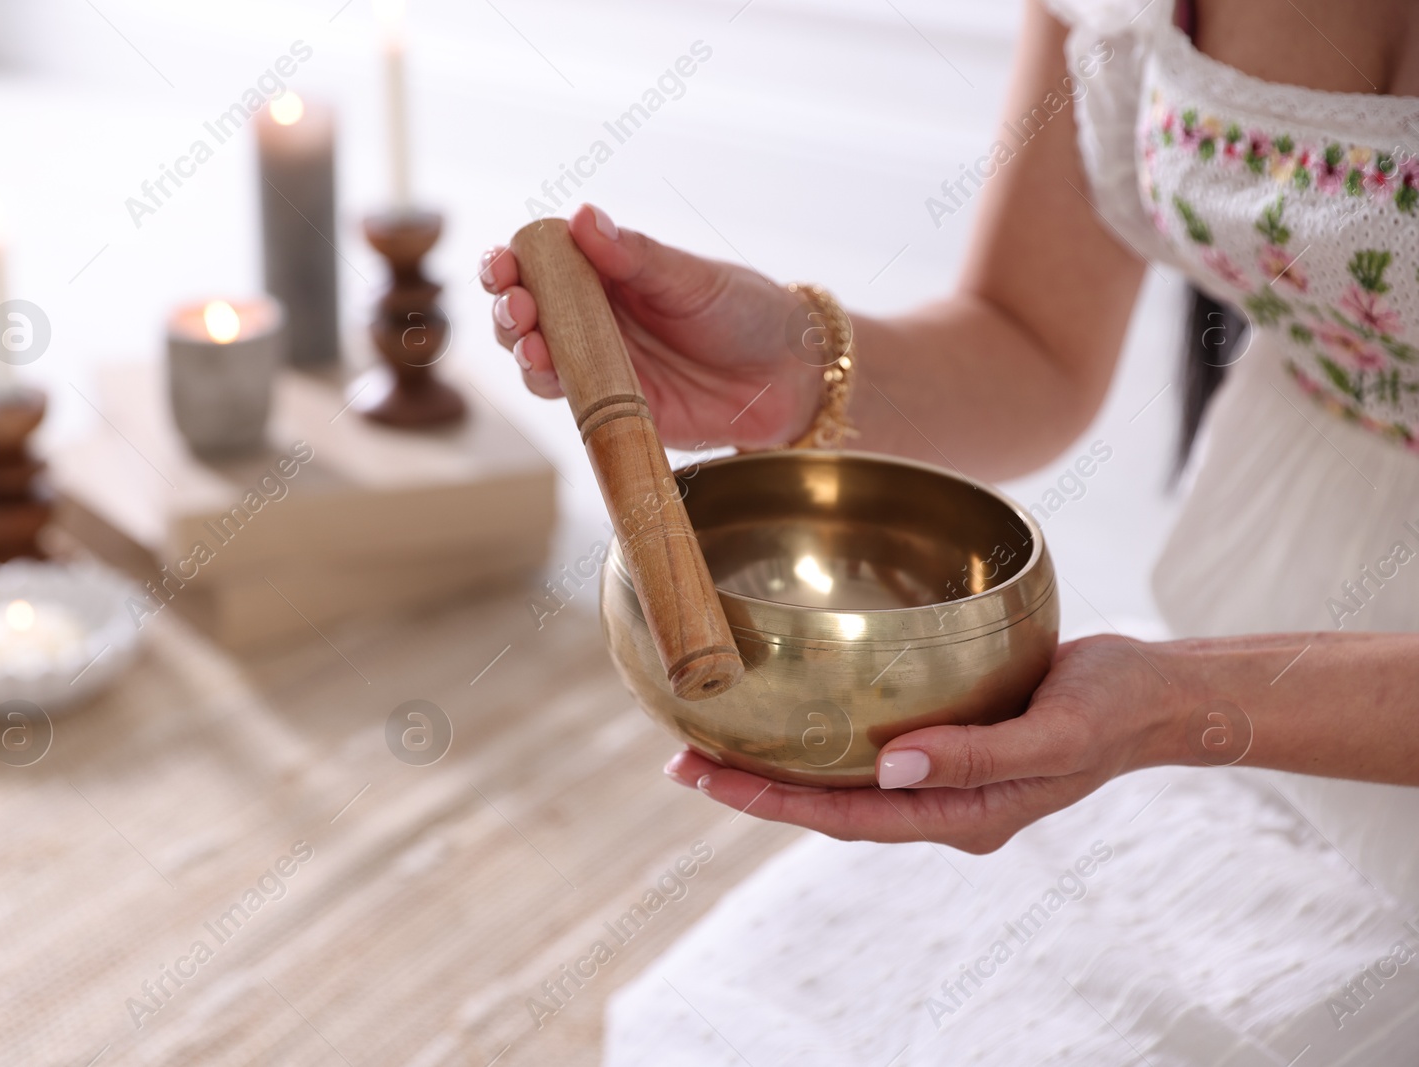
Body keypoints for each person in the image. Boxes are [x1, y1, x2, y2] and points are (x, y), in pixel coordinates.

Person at [482, 0, 1419, 1061]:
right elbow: (1033, 341)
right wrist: (794, 363)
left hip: (1334, 719)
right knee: (720, 1028)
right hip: (1255, 633)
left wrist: (1174, 704)